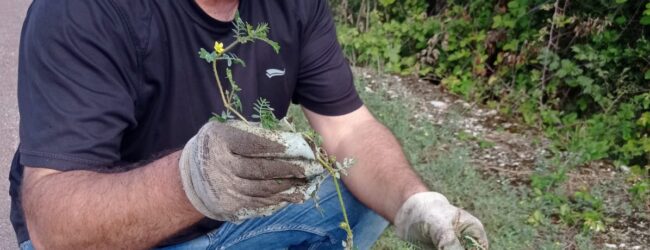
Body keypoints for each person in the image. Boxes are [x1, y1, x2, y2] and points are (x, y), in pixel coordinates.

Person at [9, 0, 489, 249]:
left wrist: (417, 204)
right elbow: (56, 230)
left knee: (358, 189)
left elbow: (349, 130)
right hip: (110, 239)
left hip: (225, 223)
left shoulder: (295, 7)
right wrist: (192, 180)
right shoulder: (87, 12)